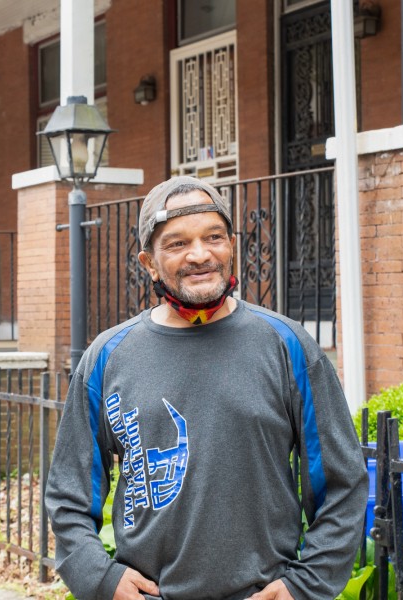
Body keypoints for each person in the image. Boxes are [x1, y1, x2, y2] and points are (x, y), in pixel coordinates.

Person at [45, 175, 367, 600]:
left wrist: (303, 587)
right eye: (177, 244)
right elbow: (68, 495)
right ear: (149, 263)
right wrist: (100, 578)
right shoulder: (108, 357)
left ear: (231, 245)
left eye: (213, 237)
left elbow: (343, 486)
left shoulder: (287, 346)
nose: (199, 255)